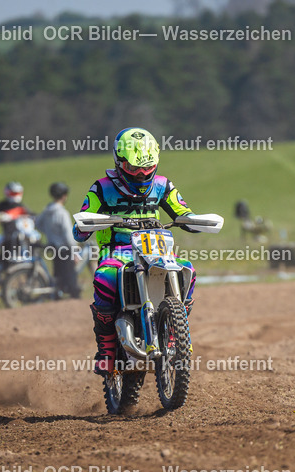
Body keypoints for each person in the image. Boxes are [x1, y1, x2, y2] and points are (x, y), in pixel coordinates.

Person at [73, 127, 201, 375]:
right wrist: (87, 223)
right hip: (117, 250)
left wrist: (192, 221)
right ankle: (107, 349)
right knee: (105, 278)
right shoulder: (101, 188)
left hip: (158, 247)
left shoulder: (163, 185)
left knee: (188, 269)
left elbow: (182, 211)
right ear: (119, 161)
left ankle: (175, 333)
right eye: (134, 169)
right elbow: (80, 229)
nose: (141, 174)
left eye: (147, 168)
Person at [35, 181, 80, 299]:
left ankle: (57, 295)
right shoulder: (62, 213)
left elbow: (38, 224)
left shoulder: (47, 211)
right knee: (71, 279)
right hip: (65, 249)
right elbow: (68, 235)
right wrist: (75, 251)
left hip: (53, 248)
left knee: (58, 275)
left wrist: (49, 232)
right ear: (64, 196)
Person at [0, 181, 34, 275]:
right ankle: (3, 267)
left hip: (22, 233)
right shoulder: (2, 205)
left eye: (17, 193)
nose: (15, 196)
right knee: (5, 248)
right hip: (8, 234)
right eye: (13, 193)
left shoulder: (21, 207)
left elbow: (32, 214)